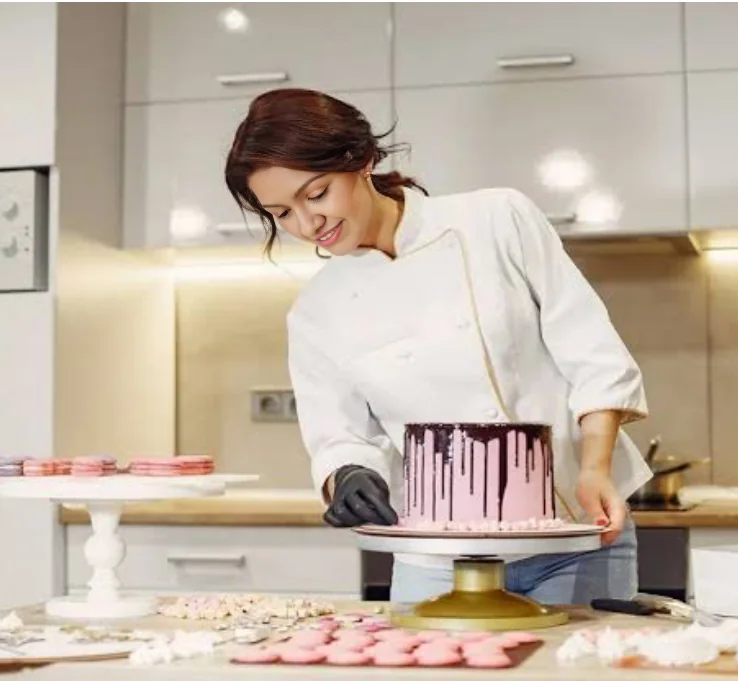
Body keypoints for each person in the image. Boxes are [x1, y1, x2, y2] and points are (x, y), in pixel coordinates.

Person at [224, 88, 654, 605]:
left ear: (359, 159)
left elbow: (590, 349)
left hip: (577, 536)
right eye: (281, 213)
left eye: (316, 194)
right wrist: (349, 476)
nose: (307, 223)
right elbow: (338, 436)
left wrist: (595, 467)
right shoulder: (316, 311)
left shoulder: (497, 219)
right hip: (434, 559)